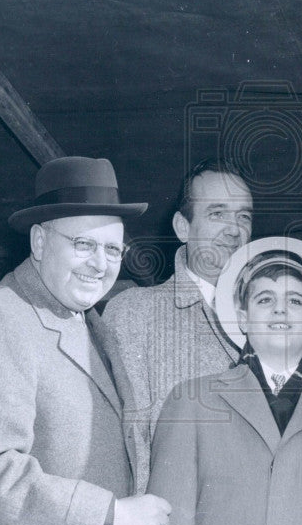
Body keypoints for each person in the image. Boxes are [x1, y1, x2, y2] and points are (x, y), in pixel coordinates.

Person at [0, 157, 170, 525]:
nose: (100, 264)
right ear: (39, 241)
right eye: (84, 244)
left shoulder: (94, 327)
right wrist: (110, 514)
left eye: (113, 250)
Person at [147, 238, 302, 525]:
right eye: (265, 299)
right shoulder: (191, 403)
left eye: (295, 301)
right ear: (243, 318)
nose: (280, 310)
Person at [100, 159, 254, 492]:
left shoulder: (270, 320)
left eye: (243, 216)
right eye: (217, 214)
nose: (234, 229)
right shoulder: (135, 312)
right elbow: (131, 438)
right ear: (183, 228)